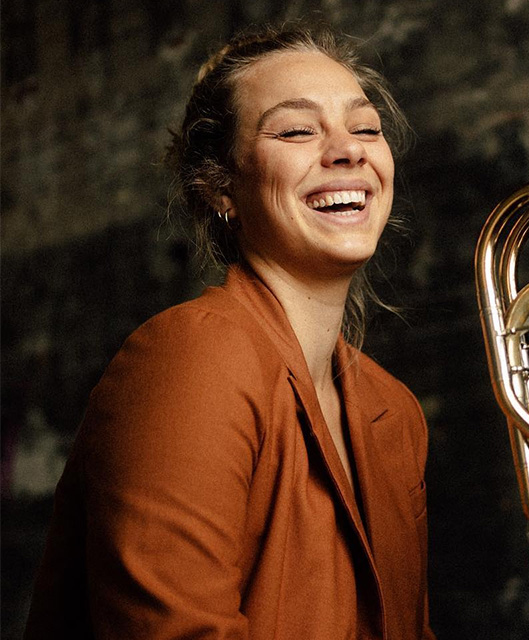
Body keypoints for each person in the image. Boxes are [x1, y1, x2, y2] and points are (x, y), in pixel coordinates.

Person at [25, 22, 434, 640]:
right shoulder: (193, 355)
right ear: (220, 188)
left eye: (366, 128)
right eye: (296, 130)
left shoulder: (394, 411)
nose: (349, 150)